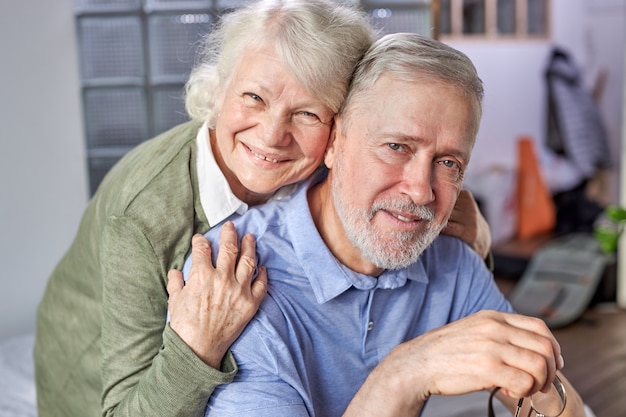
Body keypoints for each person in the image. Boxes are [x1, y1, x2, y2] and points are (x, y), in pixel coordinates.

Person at [33, 1, 491, 417]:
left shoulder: (340, 170)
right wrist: (199, 347)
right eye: (254, 97)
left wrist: (474, 242)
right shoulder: (146, 216)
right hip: (98, 381)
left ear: (338, 130)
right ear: (219, 88)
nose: (272, 135)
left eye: (308, 113)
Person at [183, 33, 586, 416]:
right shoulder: (233, 278)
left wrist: (546, 388)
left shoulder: (451, 263)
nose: (421, 191)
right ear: (335, 141)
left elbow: (555, 403)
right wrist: (404, 374)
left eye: (448, 163)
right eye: (397, 147)